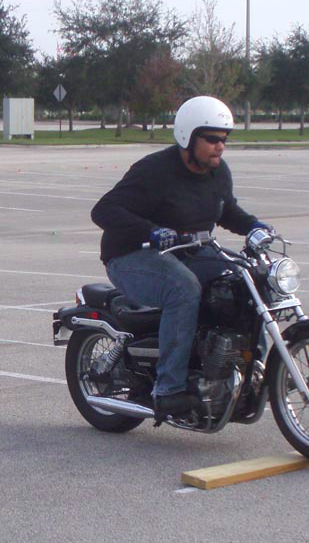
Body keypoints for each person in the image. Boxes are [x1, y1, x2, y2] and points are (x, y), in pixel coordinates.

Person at [90, 96, 271, 419]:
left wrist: (254, 226)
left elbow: (226, 210)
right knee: (183, 288)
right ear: (189, 136)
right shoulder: (155, 171)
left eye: (224, 139)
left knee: (246, 282)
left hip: (189, 252)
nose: (220, 147)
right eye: (212, 139)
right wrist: (151, 231)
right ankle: (168, 389)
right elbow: (103, 210)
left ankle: (248, 372)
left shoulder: (217, 172)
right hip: (132, 255)